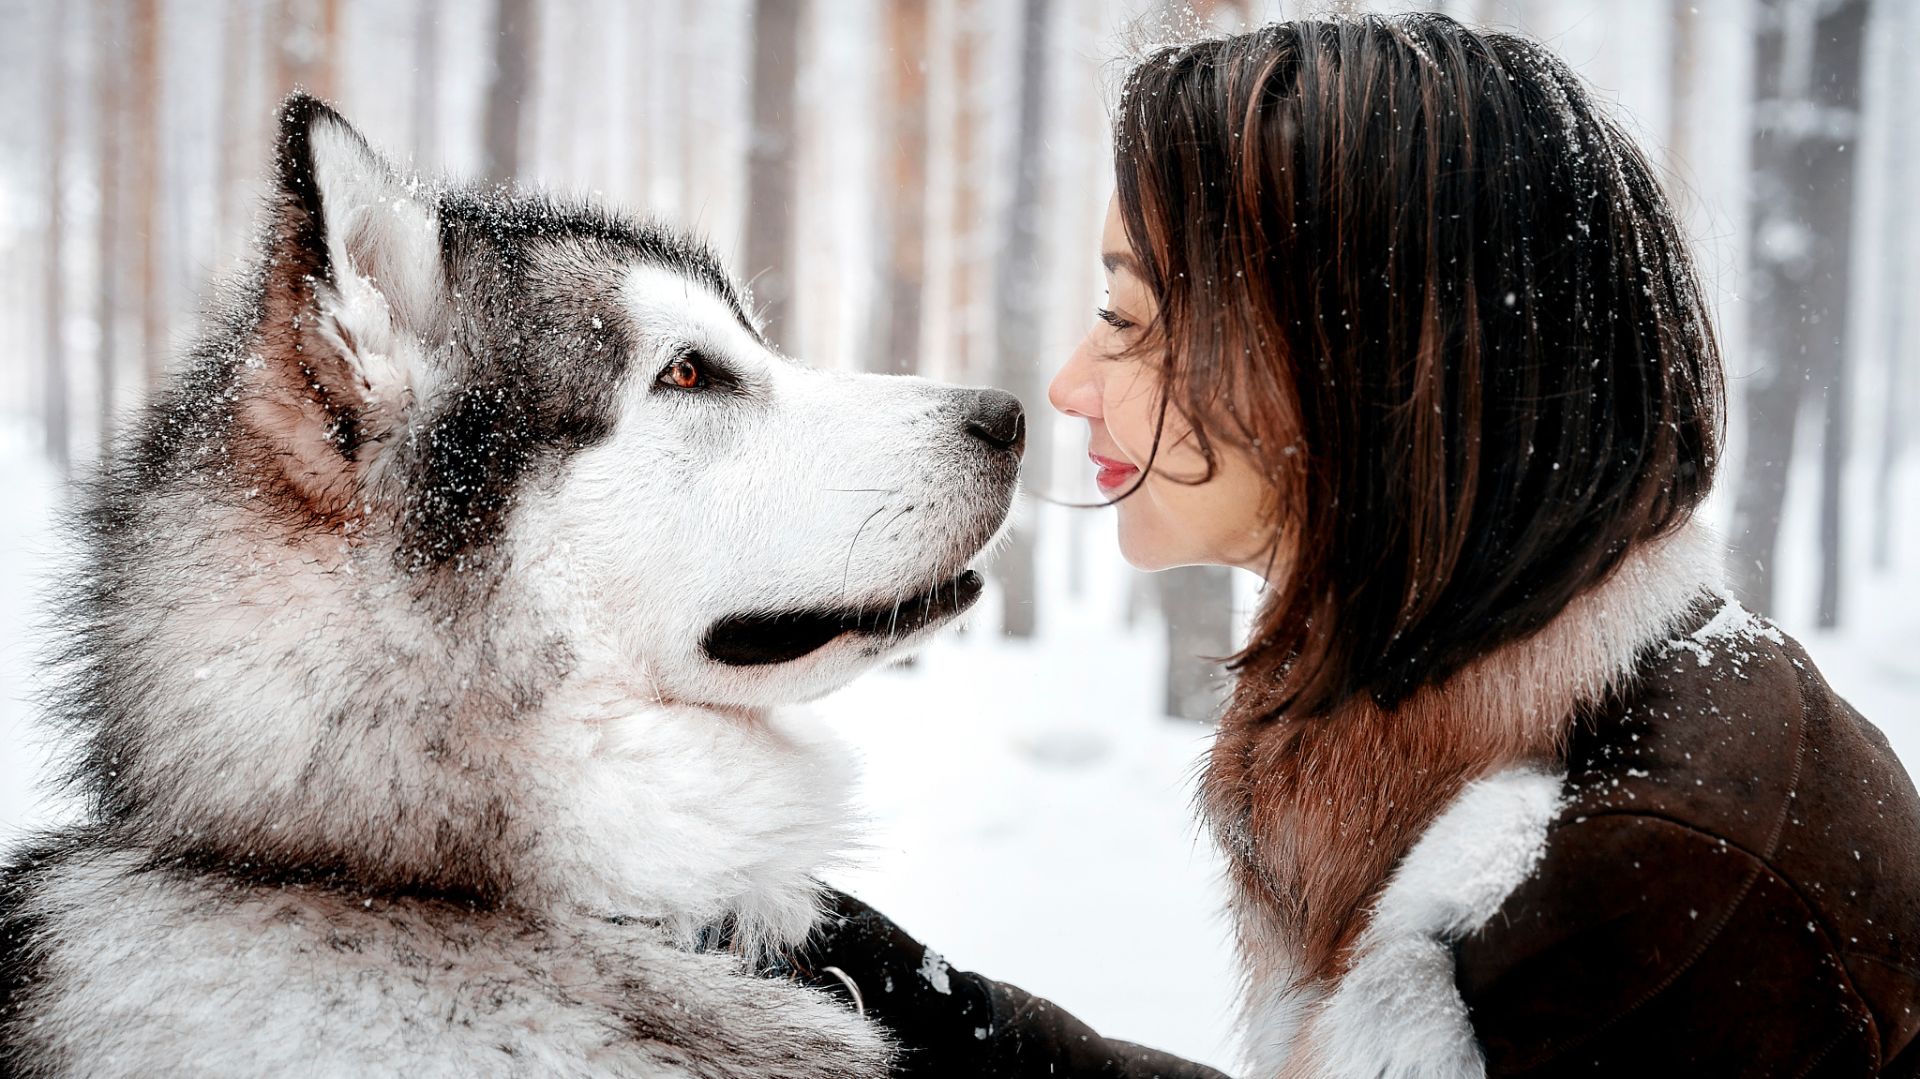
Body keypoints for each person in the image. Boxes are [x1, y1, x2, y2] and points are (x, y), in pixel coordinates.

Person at [795, 14, 1920, 1077]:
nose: (1072, 384)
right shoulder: (1505, 726)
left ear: (1357, 363)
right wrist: (929, 1017)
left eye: (1133, 321)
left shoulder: (1652, 879)